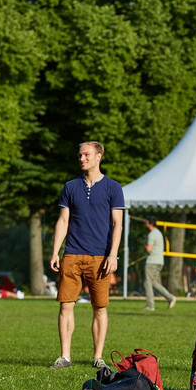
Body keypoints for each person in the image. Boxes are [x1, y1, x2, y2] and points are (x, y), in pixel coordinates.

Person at [49, 141, 124, 370]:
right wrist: (55, 251)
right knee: (65, 306)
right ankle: (64, 356)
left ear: (99, 156)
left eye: (87, 154)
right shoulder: (70, 187)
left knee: (100, 308)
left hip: (100, 258)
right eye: (80, 154)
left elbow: (118, 224)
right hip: (71, 255)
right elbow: (63, 221)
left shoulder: (113, 187)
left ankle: (98, 357)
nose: (82, 158)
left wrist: (113, 255)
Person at [142, 216, 177, 311]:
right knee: (154, 283)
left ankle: (150, 305)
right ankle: (170, 297)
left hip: (152, 262)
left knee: (147, 283)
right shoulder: (158, 233)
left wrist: (144, 246)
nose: (145, 223)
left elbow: (149, 249)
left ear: (149, 223)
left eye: (146, 221)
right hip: (159, 261)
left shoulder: (152, 234)